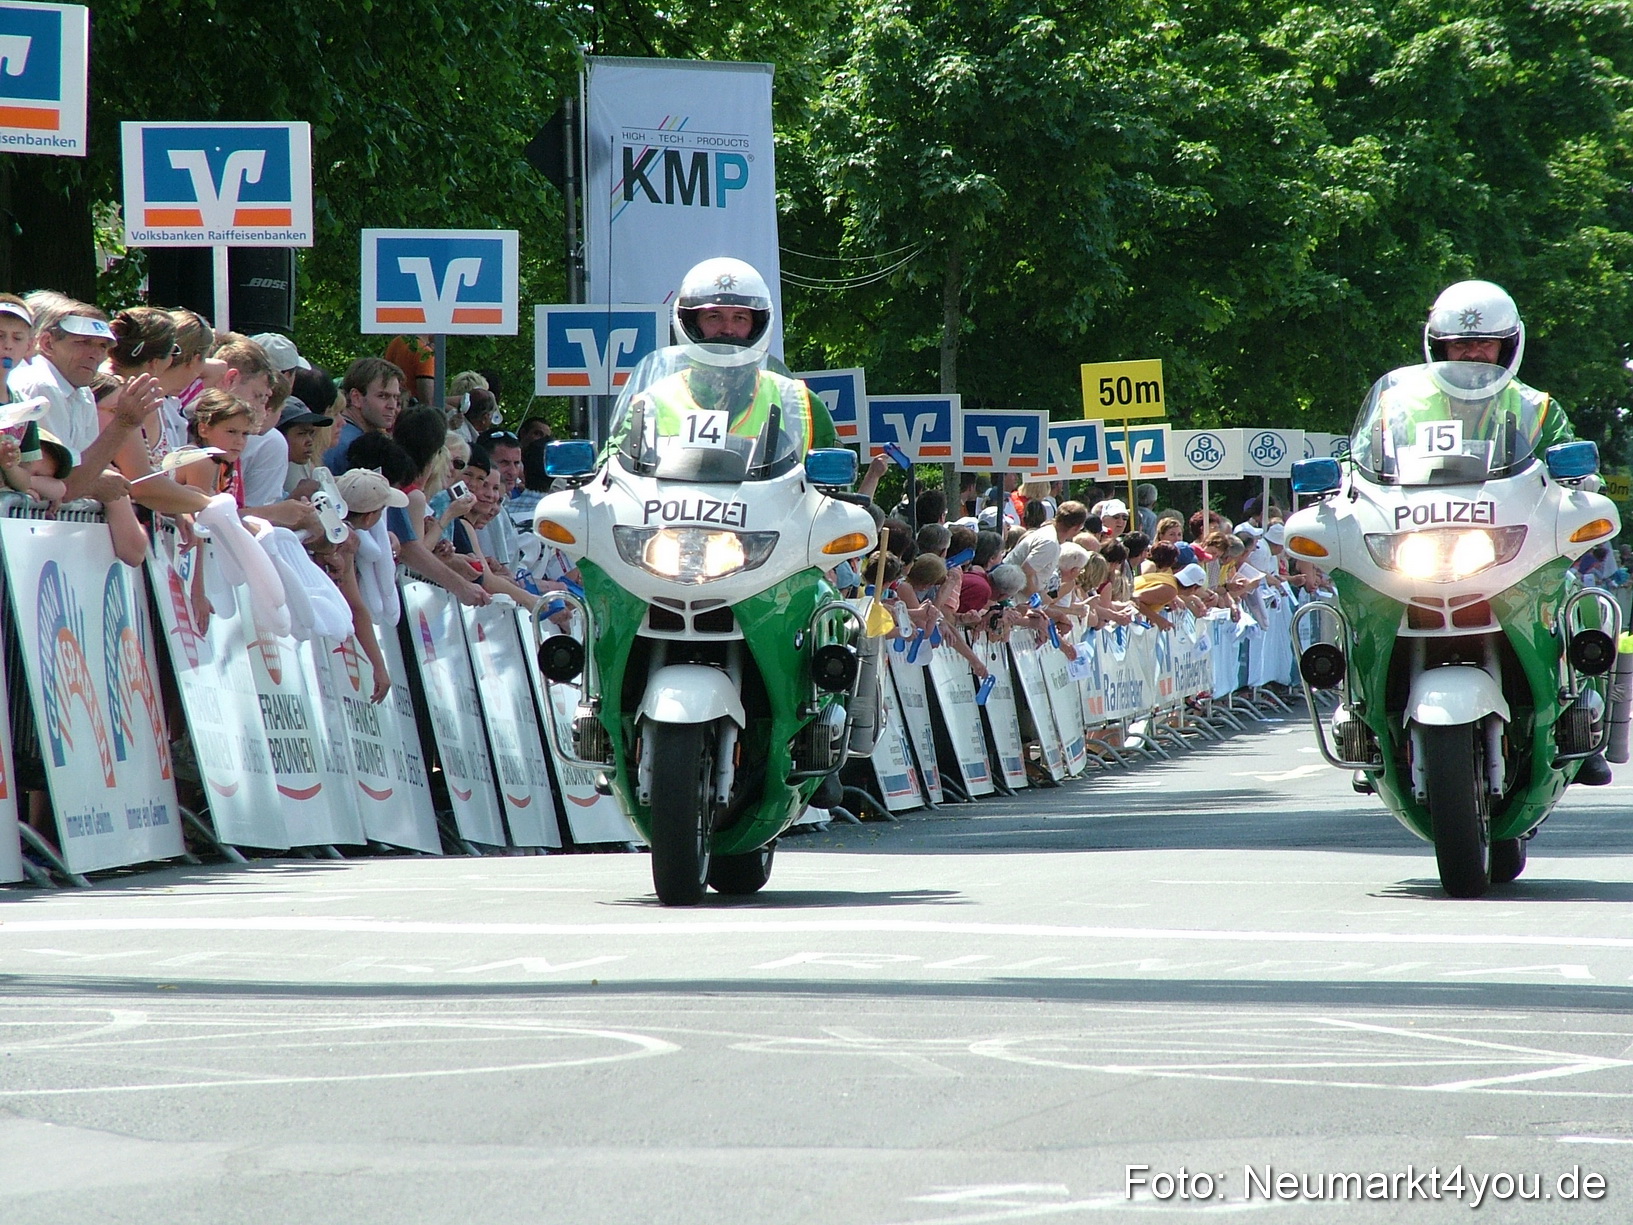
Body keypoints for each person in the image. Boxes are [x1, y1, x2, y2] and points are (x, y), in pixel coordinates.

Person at [612, 257, 837, 455]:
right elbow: (609, 473)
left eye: (740, 318)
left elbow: (835, 492)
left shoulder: (801, 404)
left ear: (756, 326)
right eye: (714, 317)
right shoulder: (650, 404)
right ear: (691, 324)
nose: (727, 329)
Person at [323, 357, 404, 473]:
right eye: (382, 396)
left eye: (395, 397)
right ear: (356, 397)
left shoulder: (342, 436)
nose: (392, 406)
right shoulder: (344, 443)